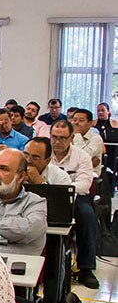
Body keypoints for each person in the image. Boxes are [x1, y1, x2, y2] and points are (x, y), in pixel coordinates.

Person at [50, 120, 98, 288]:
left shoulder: (81, 156)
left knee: (87, 216)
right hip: (47, 196)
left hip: (76, 197)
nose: (57, 141)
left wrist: (62, 188)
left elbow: (84, 185)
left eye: (62, 138)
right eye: (54, 137)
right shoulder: (44, 153)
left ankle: (86, 268)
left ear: (71, 138)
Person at [70, 108, 104, 177]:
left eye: (81, 121)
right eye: (74, 120)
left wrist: (77, 135)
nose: (76, 123)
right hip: (69, 173)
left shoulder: (96, 138)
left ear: (90, 123)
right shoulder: (68, 137)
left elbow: (83, 156)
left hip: (89, 175)